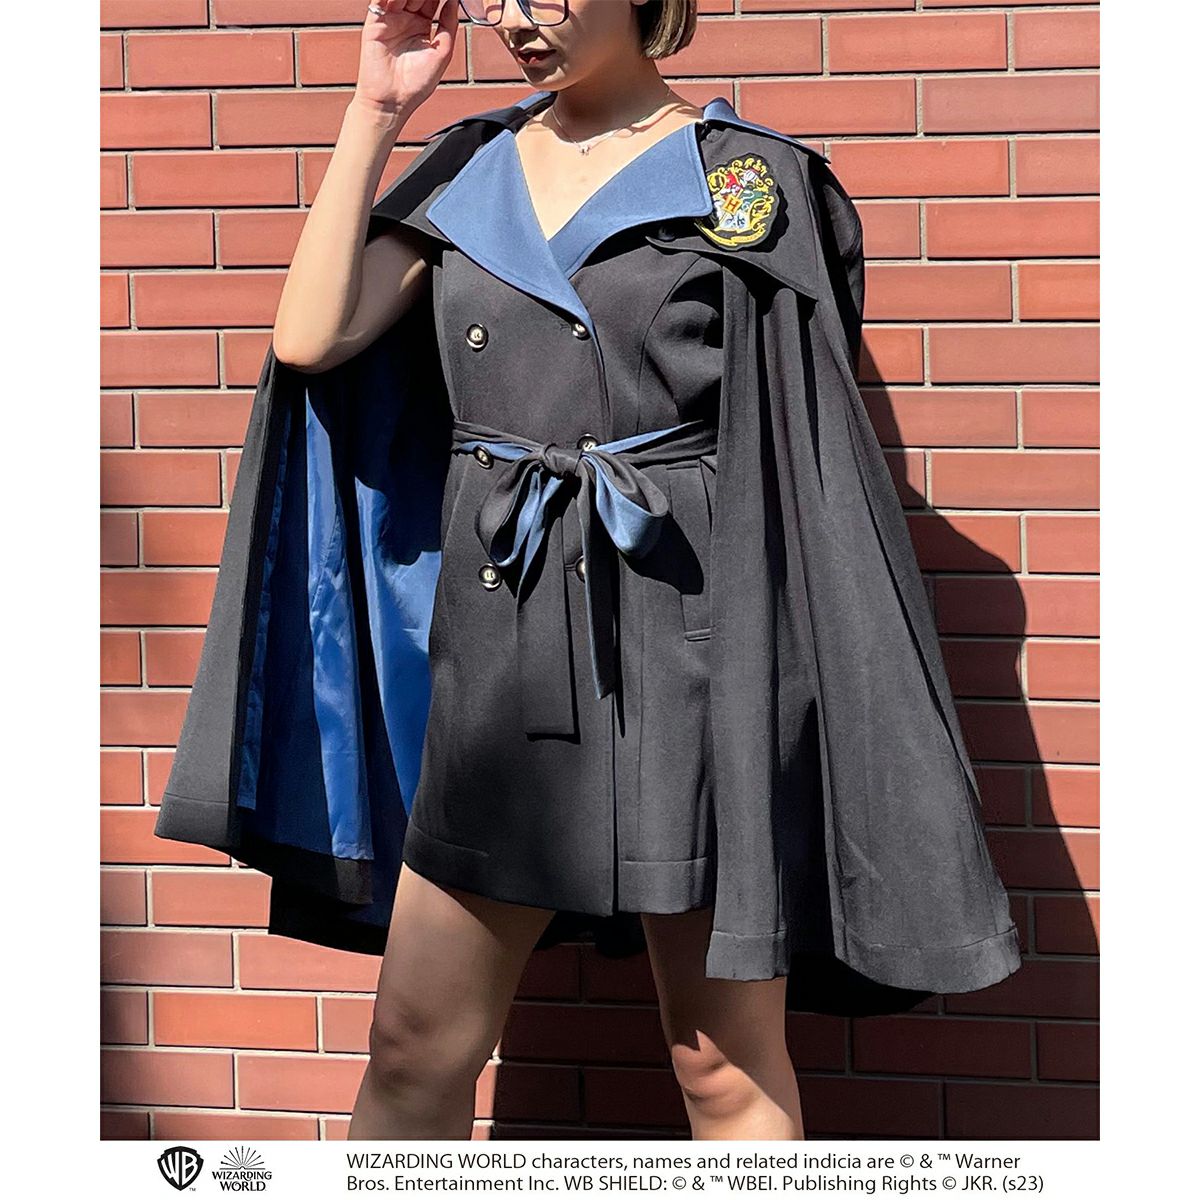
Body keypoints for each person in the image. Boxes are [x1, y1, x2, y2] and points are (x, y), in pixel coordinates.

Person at [155, 0, 1021, 1142]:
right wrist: (374, 110)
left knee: (721, 1067)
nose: (520, 16)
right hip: (501, 652)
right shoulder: (470, 166)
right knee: (413, 1049)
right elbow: (311, 338)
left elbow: (803, 460)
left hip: (693, 652)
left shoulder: (745, 180)